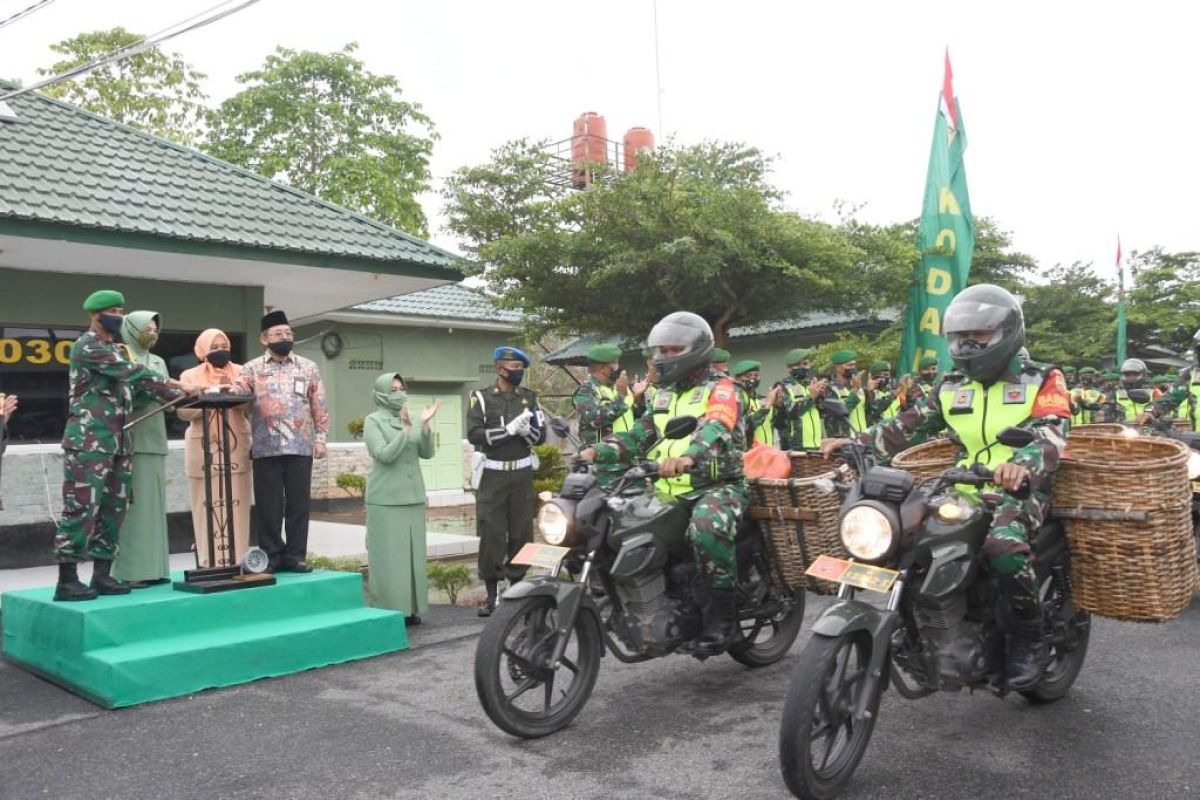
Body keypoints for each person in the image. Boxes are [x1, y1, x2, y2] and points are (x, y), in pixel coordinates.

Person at [821, 284, 1071, 689]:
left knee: (1002, 548)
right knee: (905, 533)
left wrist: (1020, 467)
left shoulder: (1042, 378)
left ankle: (1030, 637)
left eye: (980, 336)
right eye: (961, 337)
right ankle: (927, 622)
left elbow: (1052, 432)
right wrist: (858, 444)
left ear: (1008, 333)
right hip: (961, 484)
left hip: (1022, 488)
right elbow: (906, 425)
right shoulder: (951, 385)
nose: (969, 345)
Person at [581, 312, 746, 656]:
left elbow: (716, 426)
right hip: (665, 488)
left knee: (706, 528)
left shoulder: (723, 389)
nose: (664, 357)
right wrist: (597, 452)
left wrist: (691, 457)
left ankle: (722, 622)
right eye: (662, 350)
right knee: (619, 518)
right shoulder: (662, 394)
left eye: (673, 350)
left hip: (715, 486)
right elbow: (640, 434)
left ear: (696, 350)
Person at [53, 290, 188, 602]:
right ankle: (67, 580)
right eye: (113, 310)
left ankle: (102, 575)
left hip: (119, 441)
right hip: (89, 441)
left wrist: (178, 392)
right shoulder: (87, 345)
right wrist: (176, 389)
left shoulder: (116, 347)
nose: (118, 316)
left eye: (121, 311)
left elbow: (136, 382)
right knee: (81, 508)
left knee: (114, 510)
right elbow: (134, 373)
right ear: (95, 315)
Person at [238, 310, 328, 573]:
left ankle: (296, 556)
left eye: (288, 333)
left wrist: (321, 439)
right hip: (266, 447)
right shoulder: (252, 368)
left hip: (300, 446)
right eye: (278, 333)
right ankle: (272, 556)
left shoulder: (308, 367)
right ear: (264, 339)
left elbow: (319, 405)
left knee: (299, 504)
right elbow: (239, 390)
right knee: (269, 505)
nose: (285, 337)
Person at [467, 346, 546, 616]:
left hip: (522, 474)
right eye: (514, 368)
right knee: (491, 533)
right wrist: (508, 430)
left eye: (521, 369)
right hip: (493, 474)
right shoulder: (482, 398)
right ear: (500, 369)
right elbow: (475, 433)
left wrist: (526, 433)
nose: (519, 373)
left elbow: (542, 435)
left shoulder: (530, 398)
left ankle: (517, 591)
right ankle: (491, 596)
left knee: (522, 532)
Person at [364, 373, 439, 625]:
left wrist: (426, 425)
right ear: (382, 394)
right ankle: (388, 608)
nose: (400, 393)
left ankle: (411, 608)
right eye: (393, 390)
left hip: (413, 496)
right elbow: (384, 455)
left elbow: (427, 453)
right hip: (386, 498)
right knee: (389, 557)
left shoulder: (413, 417)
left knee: (412, 557)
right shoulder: (373, 421)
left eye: (402, 388)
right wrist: (406, 430)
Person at [179, 329, 253, 568]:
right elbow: (183, 411)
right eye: (214, 346)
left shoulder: (243, 372)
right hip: (203, 449)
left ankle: (238, 560)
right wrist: (210, 395)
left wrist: (233, 392)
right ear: (202, 350)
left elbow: (252, 409)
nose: (220, 350)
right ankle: (208, 561)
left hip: (235, 446)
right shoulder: (190, 375)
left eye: (224, 345)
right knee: (205, 504)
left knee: (238, 504)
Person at [111, 311, 172, 587]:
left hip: (155, 438)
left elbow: (169, 391)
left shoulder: (158, 360)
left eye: (155, 329)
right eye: (146, 328)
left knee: (155, 507)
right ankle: (131, 570)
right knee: (134, 508)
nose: (152, 333)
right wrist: (156, 389)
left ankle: (156, 568)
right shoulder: (121, 355)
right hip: (131, 438)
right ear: (131, 329)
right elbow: (126, 394)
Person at [572, 344, 639, 443]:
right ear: (602, 368)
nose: (619, 367)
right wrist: (620, 397)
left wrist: (639, 399)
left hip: (627, 452)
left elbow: (636, 417)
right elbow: (595, 420)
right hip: (601, 455)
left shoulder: (621, 387)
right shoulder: (585, 392)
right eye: (615, 364)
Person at [772, 348, 826, 451]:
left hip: (816, 443)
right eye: (800, 365)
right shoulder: (782, 386)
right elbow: (790, 412)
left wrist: (820, 396)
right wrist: (811, 398)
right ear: (789, 368)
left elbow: (823, 413)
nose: (805, 368)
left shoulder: (809, 385)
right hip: (795, 446)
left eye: (806, 364)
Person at [732, 360, 780, 446]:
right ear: (737, 379)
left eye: (756, 375)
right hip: (751, 454)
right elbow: (745, 427)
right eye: (748, 376)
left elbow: (781, 425)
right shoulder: (737, 401)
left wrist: (778, 406)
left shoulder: (762, 400)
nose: (753, 379)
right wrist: (766, 407)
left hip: (769, 453)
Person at [827, 350, 868, 435]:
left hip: (862, 436)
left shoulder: (857, 386)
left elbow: (867, 412)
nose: (853, 368)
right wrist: (854, 391)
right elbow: (840, 414)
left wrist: (870, 393)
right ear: (838, 367)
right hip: (845, 438)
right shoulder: (830, 388)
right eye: (849, 365)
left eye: (854, 365)